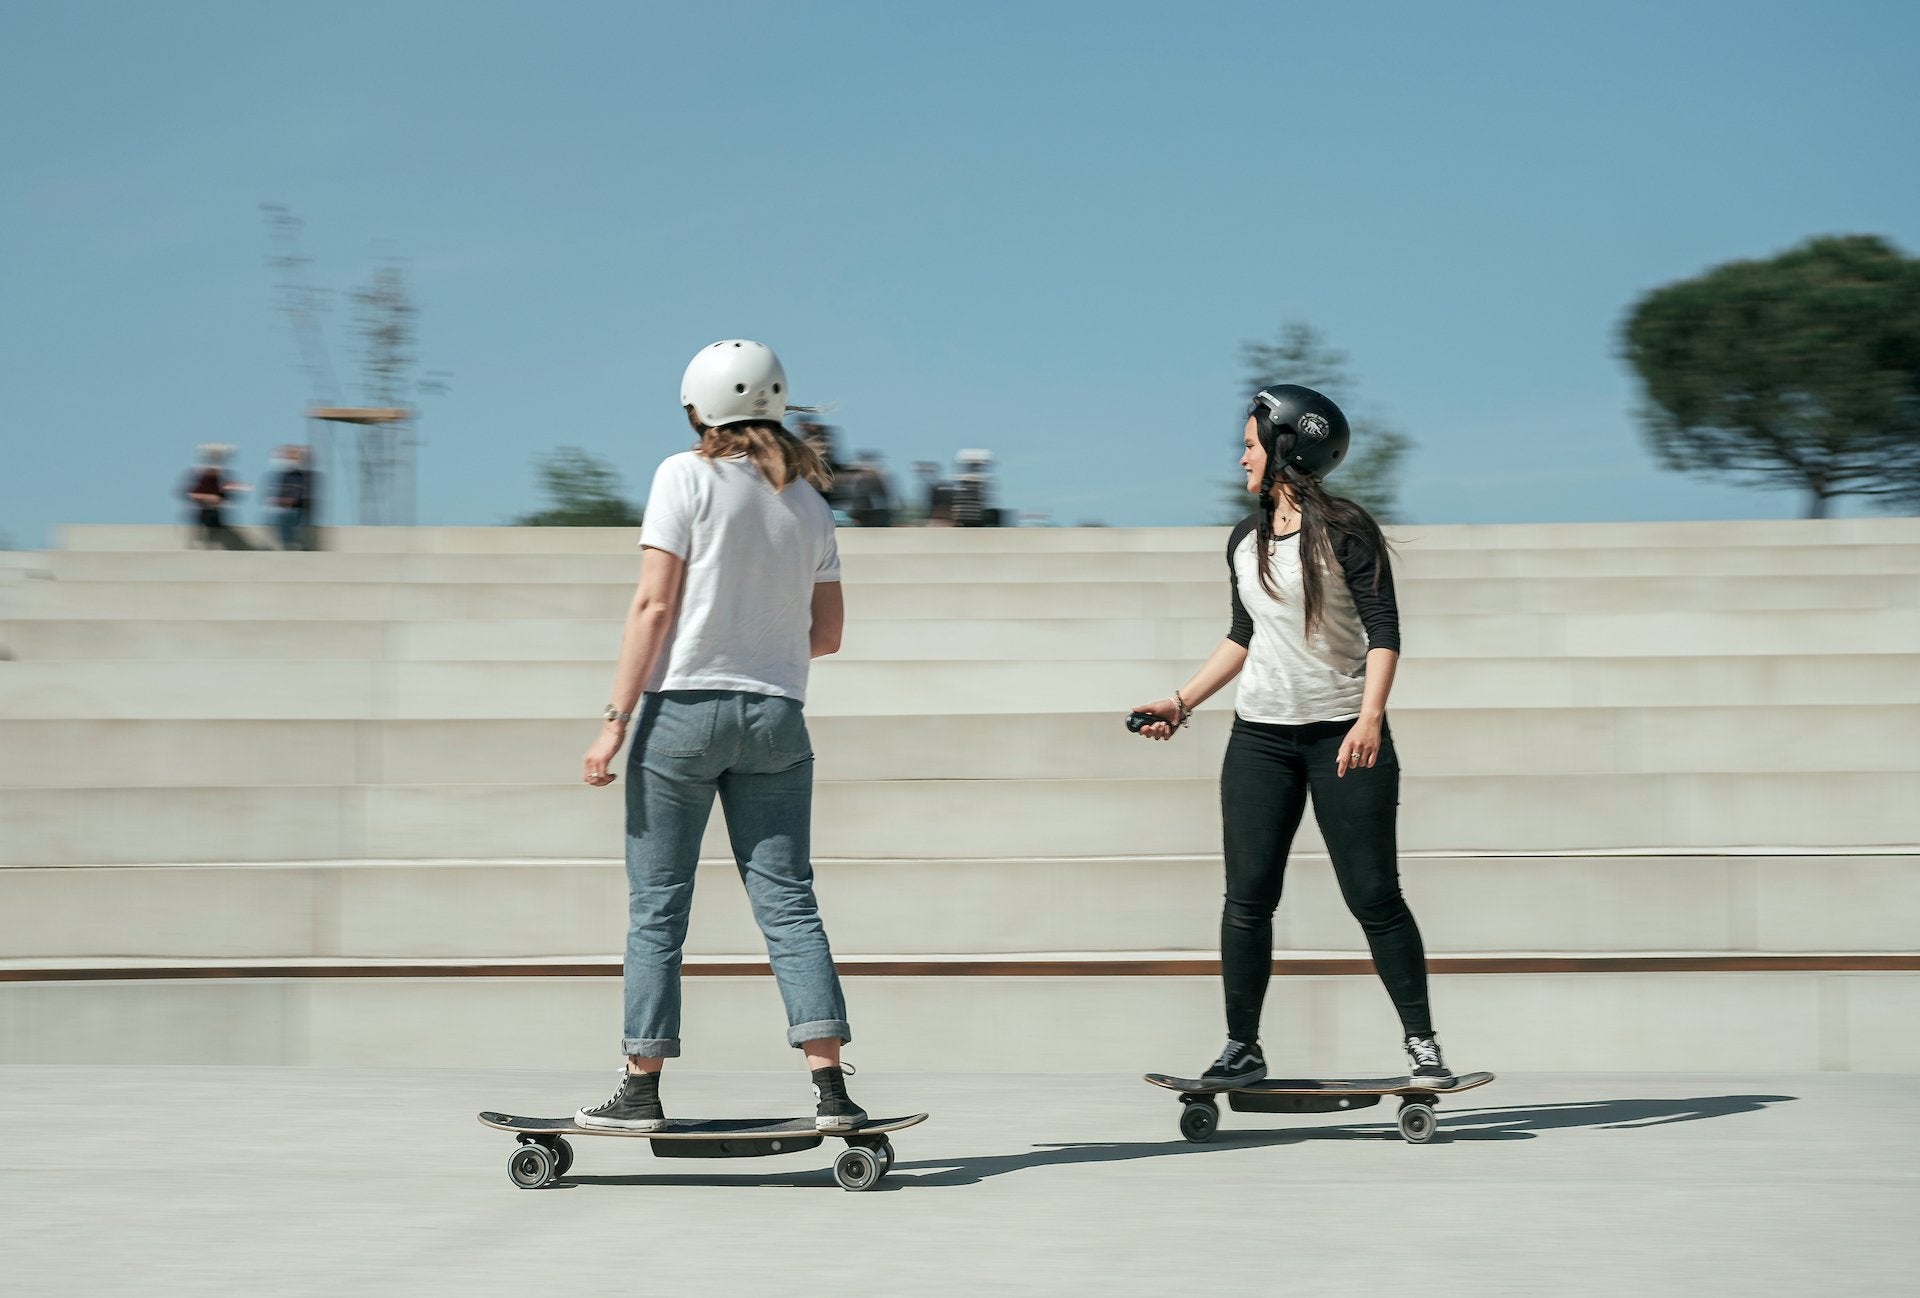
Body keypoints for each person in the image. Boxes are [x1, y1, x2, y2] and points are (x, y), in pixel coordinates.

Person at [575, 339, 865, 1133]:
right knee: (789, 904)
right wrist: (758, 646)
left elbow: (653, 608)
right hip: (777, 716)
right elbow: (829, 634)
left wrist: (612, 724)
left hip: (683, 717)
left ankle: (640, 1087)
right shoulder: (811, 502)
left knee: (659, 906)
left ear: (698, 409)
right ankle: (833, 1091)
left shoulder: (683, 476)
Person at [1129, 384, 1453, 1089]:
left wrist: (1370, 717)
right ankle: (1241, 1046)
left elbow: (1385, 631)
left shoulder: (1346, 532)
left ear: (1285, 447)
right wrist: (1181, 701)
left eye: (1249, 444)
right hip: (1261, 741)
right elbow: (1244, 635)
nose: (1240, 457)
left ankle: (1423, 1044)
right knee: (1247, 899)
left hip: (1344, 736)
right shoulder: (1244, 541)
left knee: (1373, 895)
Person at [180, 444, 251, 550]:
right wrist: (209, 498)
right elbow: (189, 494)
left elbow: (227, 495)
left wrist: (231, 489)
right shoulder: (200, 476)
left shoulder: (222, 476)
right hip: (203, 513)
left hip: (217, 514)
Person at [265, 445, 317, 550]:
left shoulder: (303, 476)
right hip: (284, 510)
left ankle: (291, 545)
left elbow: (301, 496)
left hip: (297, 510)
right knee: (274, 517)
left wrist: (287, 501)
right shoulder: (285, 475)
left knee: (287, 516)